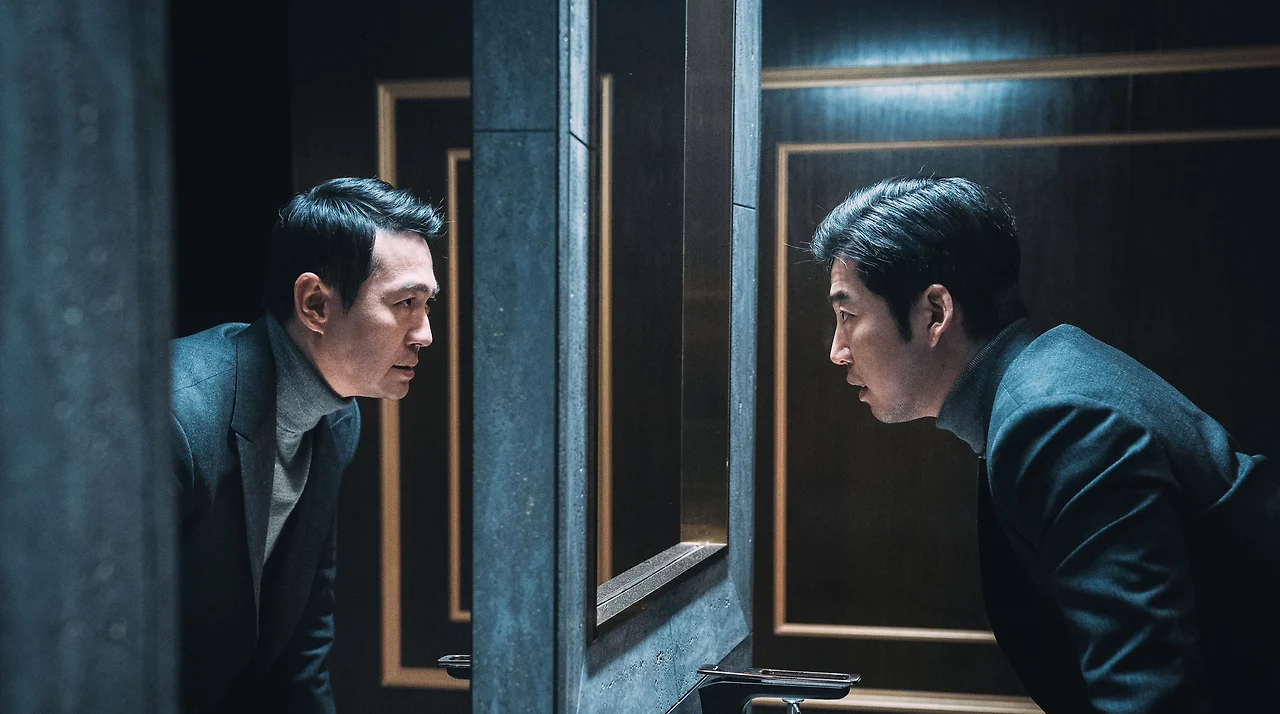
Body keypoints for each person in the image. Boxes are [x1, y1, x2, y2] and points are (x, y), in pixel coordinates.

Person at [809, 176, 1280, 712]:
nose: (837, 351)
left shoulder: (1055, 421)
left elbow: (1151, 695)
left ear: (935, 313)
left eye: (847, 315)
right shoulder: (1042, 383)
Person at [170, 177, 442, 712]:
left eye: (427, 304)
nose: (425, 334)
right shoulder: (176, 413)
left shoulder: (339, 422)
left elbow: (301, 644)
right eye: (405, 302)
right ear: (315, 303)